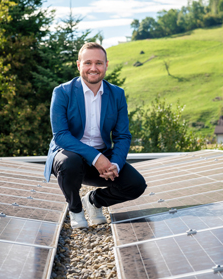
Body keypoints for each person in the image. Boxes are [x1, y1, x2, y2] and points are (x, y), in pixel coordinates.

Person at [44, 42, 147, 228]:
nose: (93, 68)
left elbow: (122, 136)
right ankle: (75, 209)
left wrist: (114, 163)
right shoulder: (62, 93)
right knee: (70, 162)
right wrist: (96, 157)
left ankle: (93, 201)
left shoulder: (116, 94)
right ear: (78, 65)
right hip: (69, 155)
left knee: (136, 184)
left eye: (99, 63)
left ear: (106, 65)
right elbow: (60, 135)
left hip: (103, 158)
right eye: (88, 63)